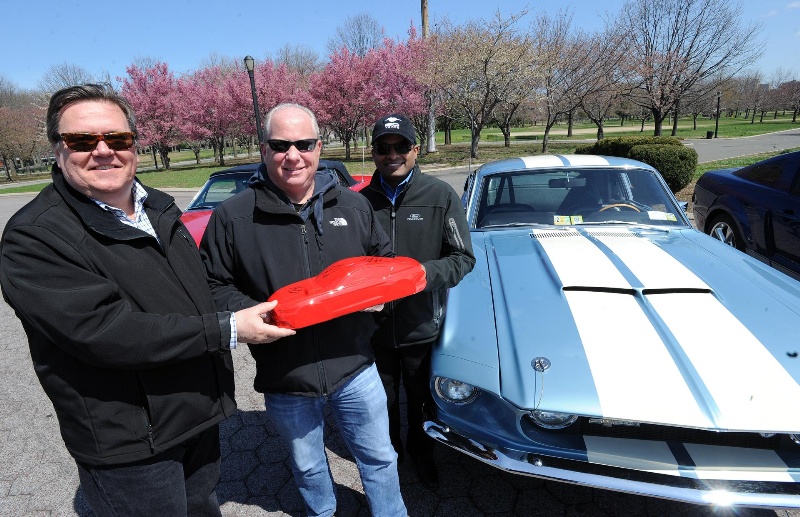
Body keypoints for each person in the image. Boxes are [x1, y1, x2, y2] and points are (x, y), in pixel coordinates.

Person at [0, 83, 294, 516]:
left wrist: (269, 307)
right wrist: (229, 328)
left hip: (195, 415)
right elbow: (105, 332)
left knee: (201, 508)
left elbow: (200, 287)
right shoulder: (35, 236)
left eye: (117, 138)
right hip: (129, 442)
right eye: (83, 140)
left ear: (134, 144)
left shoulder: (159, 207)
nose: (103, 151)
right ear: (58, 150)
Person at [199, 103, 407, 517]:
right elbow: (212, 285)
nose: (292, 155)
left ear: (318, 146)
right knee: (309, 467)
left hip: (355, 367)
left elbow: (383, 263)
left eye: (303, 144)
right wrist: (259, 315)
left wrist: (380, 297)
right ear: (263, 149)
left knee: (381, 460)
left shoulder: (354, 206)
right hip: (286, 375)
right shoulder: (233, 217)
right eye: (280, 145)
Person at [361, 113, 475, 489]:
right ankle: (390, 458)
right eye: (383, 147)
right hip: (372, 331)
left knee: (421, 399)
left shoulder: (440, 195)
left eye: (400, 147)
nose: (391, 154)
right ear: (374, 153)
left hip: (421, 326)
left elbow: (462, 258)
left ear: (414, 149)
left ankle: (423, 454)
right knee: (381, 405)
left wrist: (422, 276)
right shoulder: (359, 203)